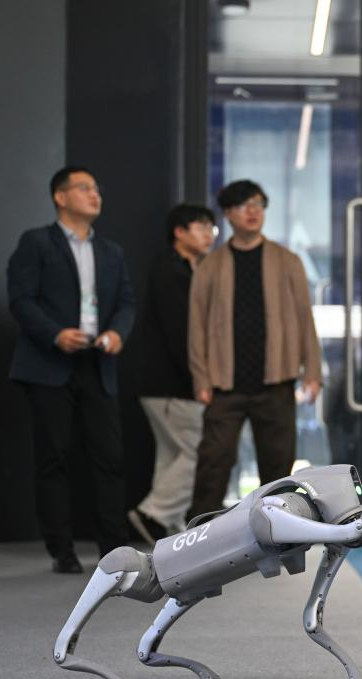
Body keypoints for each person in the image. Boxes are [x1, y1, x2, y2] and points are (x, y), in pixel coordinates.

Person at [7, 166, 135, 573]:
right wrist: (55, 334)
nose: (95, 194)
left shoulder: (111, 251)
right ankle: (61, 550)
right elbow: (21, 299)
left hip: (98, 362)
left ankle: (113, 550)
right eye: (84, 188)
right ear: (60, 197)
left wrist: (117, 332)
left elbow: (126, 301)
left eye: (97, 188)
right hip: (49, 364)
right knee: (54, 459)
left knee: (110, 458)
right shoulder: (36, 242)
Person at [186, 179, 322, 524]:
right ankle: (199, 537)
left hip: (276, 380)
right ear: (228, 213)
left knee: (278, 470)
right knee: (213, 464)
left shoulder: (287, 261)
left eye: (259, 204)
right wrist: (201, 378)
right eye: (244, 205)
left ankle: (281, 536)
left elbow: (305, 318)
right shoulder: (210, 265)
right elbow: (196, 326)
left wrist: (312, 372)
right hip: (224, 383)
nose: (253, 211)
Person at [127, 204, 216, 544]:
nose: (207, 234)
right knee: (198, 450)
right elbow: (181, 334)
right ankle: (153, 515)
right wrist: (200, 379)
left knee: (171, 456)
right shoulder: (171, 272)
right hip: (170, 384)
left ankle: (168, 530)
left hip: (161, 384)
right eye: (200, 226)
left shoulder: (190, 269)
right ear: (179, 232)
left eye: (210, 228)